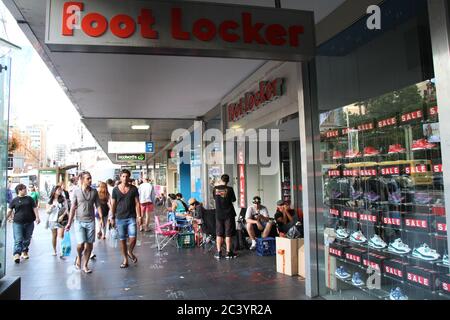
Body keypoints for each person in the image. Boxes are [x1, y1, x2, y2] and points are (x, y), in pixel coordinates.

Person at [66, 171, 103, 274]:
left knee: (89, 244)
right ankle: (79, 256)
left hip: (91, 221)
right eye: (88, 178)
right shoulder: (76, 192)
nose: (90, 180)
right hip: (79, 221)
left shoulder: (94, 192)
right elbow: (73, 207)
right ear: (82, 180)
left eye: (90, 178)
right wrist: (69, 222)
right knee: (80, 244)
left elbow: (98, 205)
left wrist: (100, 218)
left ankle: (85, 265)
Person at [110, 169, 142, 269]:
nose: (125, 178)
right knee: (122, 240)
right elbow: (113, 204)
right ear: (120, 177)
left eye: (127, 176)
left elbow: (137, 203)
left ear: (129, 177)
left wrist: (139, 216)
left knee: (133, 238)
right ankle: (125, 259)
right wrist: (112, 216)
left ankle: (130, 251)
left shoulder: (134, 189)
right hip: (120, 218)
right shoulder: (115, 190)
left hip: (131, 217)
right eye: (123, 176)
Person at [7, 184, 41, 263]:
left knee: (27, 238)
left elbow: (34, 208)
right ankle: (16, 254)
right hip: (18, 222)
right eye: (24, 189)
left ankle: (25, 251)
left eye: (26, 189)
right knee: (18, 239)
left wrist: (37, 217)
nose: (26, 190)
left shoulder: (29, 199)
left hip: (29, 222)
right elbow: (9, 210)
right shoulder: (14, 200)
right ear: (19, 190)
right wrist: (5, 218)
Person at [213, 174, 237, 260]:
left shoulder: (215, 189)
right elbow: (234, 200)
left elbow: (215, 198)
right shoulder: (230, 189)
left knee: (219, 233)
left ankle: (219, 252)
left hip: (219, 214)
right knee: (228, 233)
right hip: (228, 214)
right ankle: (228, 252)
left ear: (221, 179)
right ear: (228, 181)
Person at [46, 185, 69, 258]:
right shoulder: (50, 200)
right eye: (58, 190)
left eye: (60, 190)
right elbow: (47, 212)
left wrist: (62, 216)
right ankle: (54, 250)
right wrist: (51, 207)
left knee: (61, 235)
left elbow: (66, 209)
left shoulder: (63, 199)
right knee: (54, 236)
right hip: (52, 220)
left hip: (61, 220)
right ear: (54, 191)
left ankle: (62, 251)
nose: (60, 191)